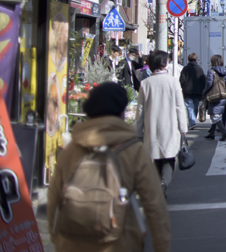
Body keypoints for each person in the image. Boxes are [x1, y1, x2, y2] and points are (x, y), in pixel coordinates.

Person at [48, 82, 171, 252]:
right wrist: (161, 246)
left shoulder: (73, 149)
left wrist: (58, 240)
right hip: (118, 241)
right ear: (121, 112)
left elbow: (54, 198)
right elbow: (154, 205)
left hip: (72, 242)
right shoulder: (133, 150)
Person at [135, 51, 189, 199]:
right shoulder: (173, 82)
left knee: (156, 157)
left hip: (151, 127)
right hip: (170, 126)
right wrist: (183, 128)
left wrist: (138, 131)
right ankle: (163, 183)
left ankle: (159, 184)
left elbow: (140, 110)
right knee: (169, 158)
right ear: (165, 63)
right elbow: (180, 106)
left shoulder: (145, 83)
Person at [203, 54, 226, 141]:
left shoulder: (211, 71)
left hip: (213, 96)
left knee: (215, 115)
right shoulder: (225, 71)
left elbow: (209, 84)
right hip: (222, 96)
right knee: (214, 114)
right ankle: (211, 133)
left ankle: (224, 133)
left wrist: (204, 92)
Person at [179, 52, 206, 130]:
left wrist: (183, 87)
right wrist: (202, 91)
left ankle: (192, 122)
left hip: (187, 92)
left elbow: (182, 80)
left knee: (189, 107)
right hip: (197, 92)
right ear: (196, 59)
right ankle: (192, 122)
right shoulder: (200, 69)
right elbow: (203, 81)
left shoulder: (185, 69)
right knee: (195, 107)